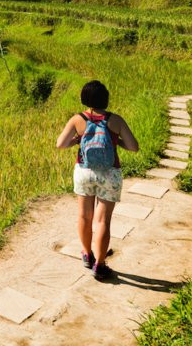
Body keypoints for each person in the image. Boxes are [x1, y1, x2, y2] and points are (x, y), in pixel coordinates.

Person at [56, 80, 139, 280]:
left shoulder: (78, 119)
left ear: (84, 98)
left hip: (84, 171)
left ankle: (87, 254)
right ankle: (100, 266)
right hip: (110, 174)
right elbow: (134, 146)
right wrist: (115, 140)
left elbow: (60, 144)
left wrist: (77, 139)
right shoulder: (116, 120)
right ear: (106, 98)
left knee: (84, 217)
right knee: (103, 220)